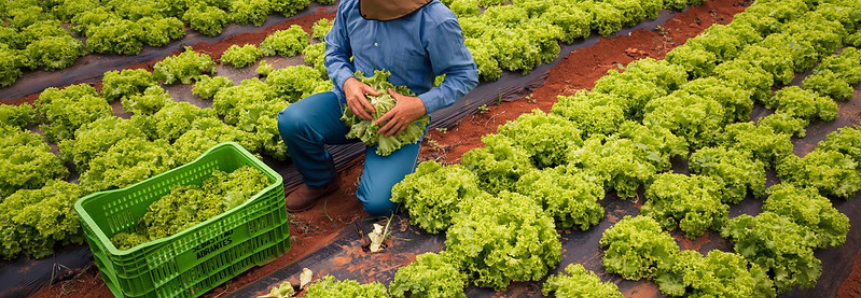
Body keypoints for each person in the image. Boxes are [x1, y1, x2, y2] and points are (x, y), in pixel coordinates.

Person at [276, 0, 479, 216]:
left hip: (400, 122)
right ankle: (320, 181)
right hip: (351, 106)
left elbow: (464, 75)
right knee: (293, 121)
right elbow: (334, 51)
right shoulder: (352, 5)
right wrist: (348, 82)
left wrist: (420, 105)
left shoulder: (436, 20)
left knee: (379, 204)